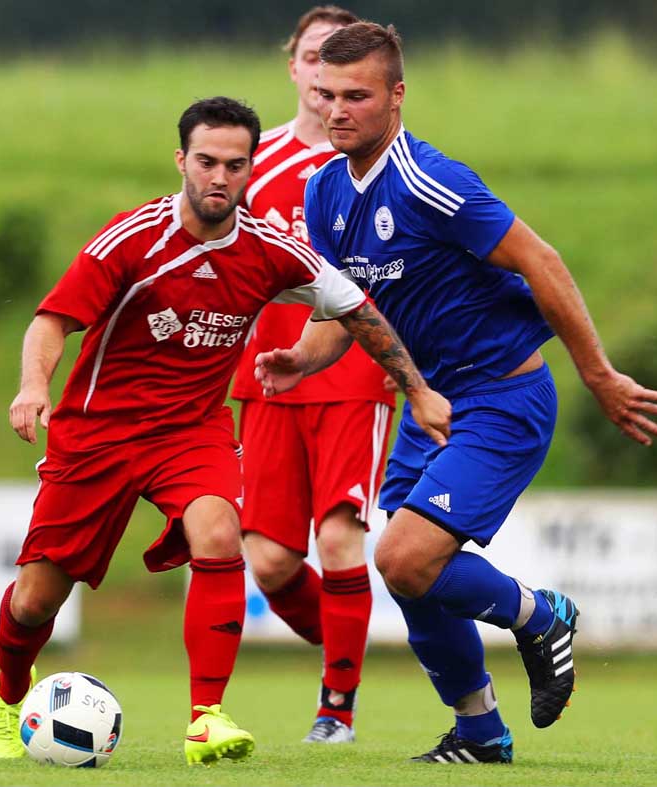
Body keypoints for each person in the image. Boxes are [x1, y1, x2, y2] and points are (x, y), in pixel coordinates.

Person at [0, 96, 451, 767]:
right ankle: (7, 697)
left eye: (235, 164)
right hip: (99, 433)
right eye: (206, 161)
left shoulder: (268, 251)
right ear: (181, 160)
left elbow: (356, 307)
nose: (219, 177)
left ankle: (206, 716)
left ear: (251, 168)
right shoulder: (134, 239)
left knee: (220, 530)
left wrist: (418, 389)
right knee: (35, 600)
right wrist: (34, 387)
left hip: (191, 432)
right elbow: (51, 320)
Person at [255, 23, 657, 764]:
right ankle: (479, 731)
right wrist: (303, 358)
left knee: (404, 558)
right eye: (327, 94)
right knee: (409, 575)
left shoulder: (431, 182)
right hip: (429, 404)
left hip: (501, 399)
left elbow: (541, 261)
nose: (337, 110)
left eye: (357, 95)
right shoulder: (325, 191)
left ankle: (540, 614)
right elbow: (348, 308)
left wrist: (599, 374)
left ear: (397, 96)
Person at [230, 5, 394, 745]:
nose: (325, 77)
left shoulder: (374, 163)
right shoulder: (248, 160)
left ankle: (337, 707)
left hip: (352, 373)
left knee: (338, 541)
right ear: (295, 66)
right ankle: (347, 646)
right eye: (313, 57)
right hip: (268, 375)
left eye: (340, 61)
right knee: (268, 561)